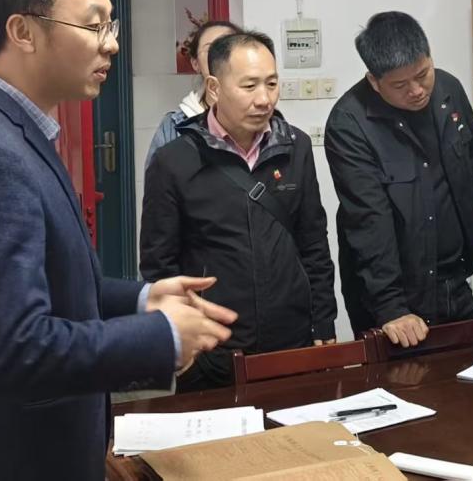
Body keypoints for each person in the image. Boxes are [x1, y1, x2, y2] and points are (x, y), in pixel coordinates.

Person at [0, 0, 236, 481]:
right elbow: (14, 349)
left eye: (111, 25)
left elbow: (50, 284)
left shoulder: (5, 129)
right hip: (7, 461)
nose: (113, 43)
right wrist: (160, 337)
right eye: (94, 25)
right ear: (23, 32)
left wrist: (142, 299)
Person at [140, 31, 337, 389]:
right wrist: (180, 339)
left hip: (292, 342)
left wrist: (323, 320)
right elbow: (159, 264)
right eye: (249, 86)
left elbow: (313, 243)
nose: (264, 99)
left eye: (272, 84)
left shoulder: (296, 146)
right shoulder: (174, 161)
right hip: (213, 350)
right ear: (214, 88)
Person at [326, 11, 473, 347]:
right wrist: (390, 306)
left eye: (423, 74)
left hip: (453, 278)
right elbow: (367, 219)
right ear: (374, 81)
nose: (416, 90)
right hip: (393, 294)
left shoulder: (449, 90)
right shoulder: (350, 123)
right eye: (400, 85)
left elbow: (472, 166)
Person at [145, 18, 240, 168]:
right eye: (210, 49)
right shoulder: (173, 127)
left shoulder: (262, 120)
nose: (219, 55)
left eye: (227, 47)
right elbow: (156, 181)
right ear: (195, 64)